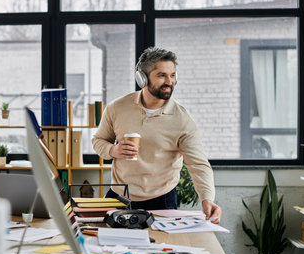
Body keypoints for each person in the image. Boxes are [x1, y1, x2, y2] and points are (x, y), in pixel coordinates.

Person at [92, 47, 221, 224]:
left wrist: (207, 199)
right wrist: (113, 150)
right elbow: (98, 141)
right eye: (162, 75)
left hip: (162, 200)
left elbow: (198, 164)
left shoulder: (182, 119)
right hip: (118, 196)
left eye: (173, 75)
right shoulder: (117, 108)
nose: (169, 81)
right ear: (142, 78)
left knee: (159, 247)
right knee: (107, 248)